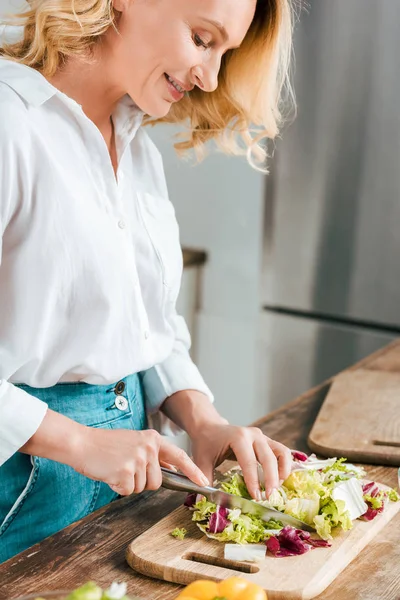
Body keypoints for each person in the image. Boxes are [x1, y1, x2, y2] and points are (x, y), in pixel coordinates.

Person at [0, 0, 294, 563]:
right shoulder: (11, 122)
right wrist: (82, 441)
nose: (209, 76)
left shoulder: (135, 146)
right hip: (23, 486)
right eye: (202, 40)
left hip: (129, 477)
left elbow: (143, 326)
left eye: (224, 54)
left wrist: (202, 420)